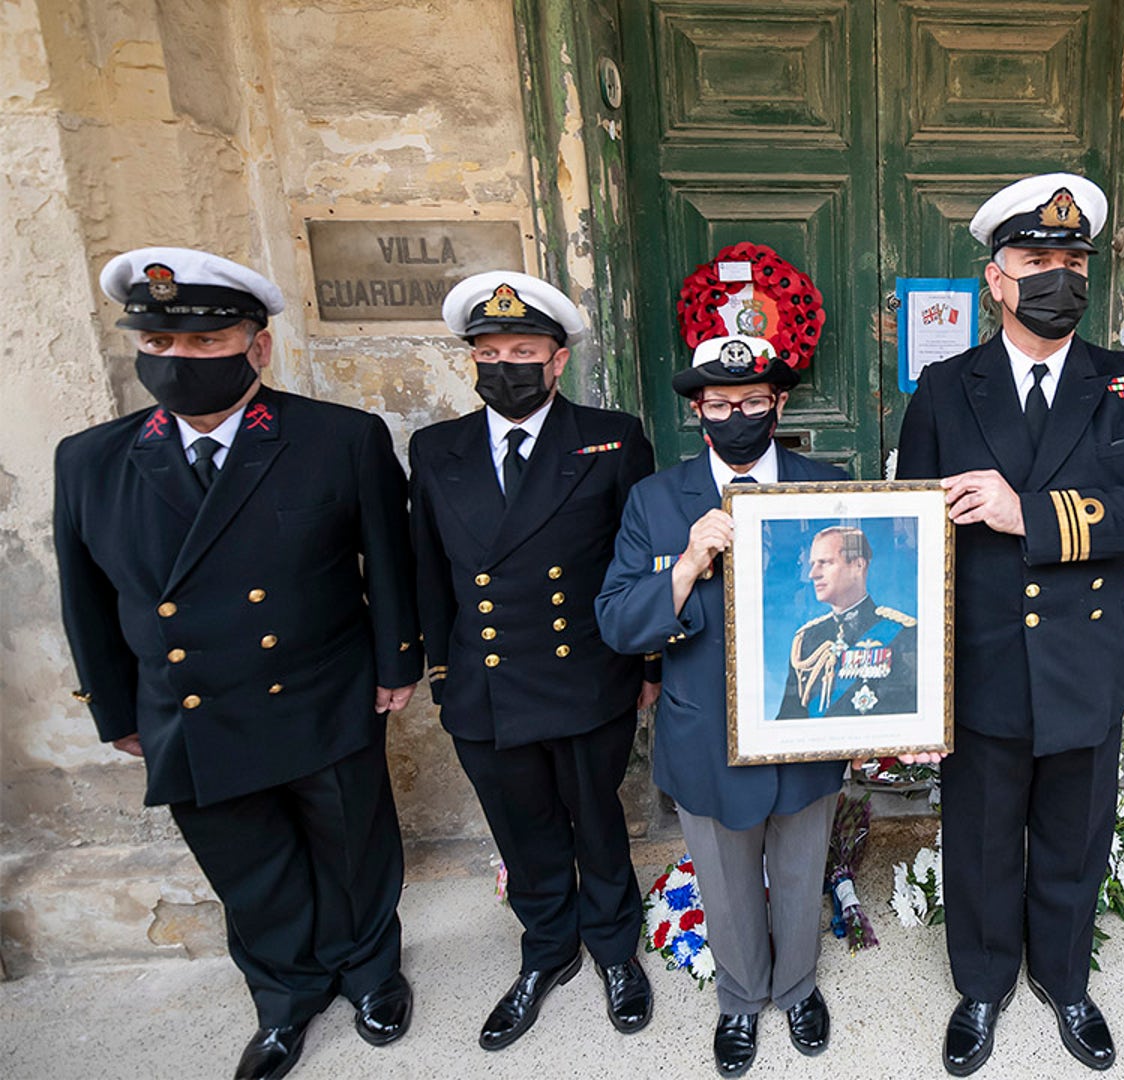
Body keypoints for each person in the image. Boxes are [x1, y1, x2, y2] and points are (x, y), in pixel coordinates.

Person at [53, 248, 420, 1079]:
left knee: (353, 847)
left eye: (204, 342)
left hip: (320, 690)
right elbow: (87, 600)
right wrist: (116, 712)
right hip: (190, 707)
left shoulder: (336, 437)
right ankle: (285, 998)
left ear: (257, 346)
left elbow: (388, 562)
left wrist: (398, 662)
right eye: (158, 343)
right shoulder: (91, 460)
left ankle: (369, 971)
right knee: (246, 864)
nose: (178, 360)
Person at [896, 173, 1124, 1076]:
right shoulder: (947, 387)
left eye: (1073, 260)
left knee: (1074, 838)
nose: (1058, 276)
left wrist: (1026, 512)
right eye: (1035, 260)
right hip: (982, 661)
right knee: (982, 840)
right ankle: (983, 986)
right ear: (996, 279)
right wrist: (915, 688)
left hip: (1082, 658)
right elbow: (913, 542)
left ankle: (1065, 980)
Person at [409, 271, 658, 1051]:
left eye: (523, 352)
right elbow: (426, 573)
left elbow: (640, 559)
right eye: (489, 353)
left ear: (558, 359)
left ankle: (615, 949)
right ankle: (547, 949)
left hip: (585, 675)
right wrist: (441, 673)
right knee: (522, 829)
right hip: (484, 683)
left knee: (597, 821)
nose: (504, 366)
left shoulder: (612, 438)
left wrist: (648, 664)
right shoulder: (437, 449)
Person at [597, 334, 846, 1078]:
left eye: (753, 401)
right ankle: (740, 998)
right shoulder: (654, 499)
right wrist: (686, 565)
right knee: (726, 881)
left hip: (805, 722)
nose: (737, 416)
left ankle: (797, 987)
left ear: (779, 403)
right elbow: (618, 621)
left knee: (800, 868)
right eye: (719, 403)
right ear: (697, 410)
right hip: (704, 729)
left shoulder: (828, 485)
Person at [777, 525, 919, 720]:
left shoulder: (904, 633)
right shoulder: (807, 639)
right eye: (813, 564)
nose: (813, 574)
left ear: (858, 566)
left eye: (825, 563)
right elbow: (790, 718)